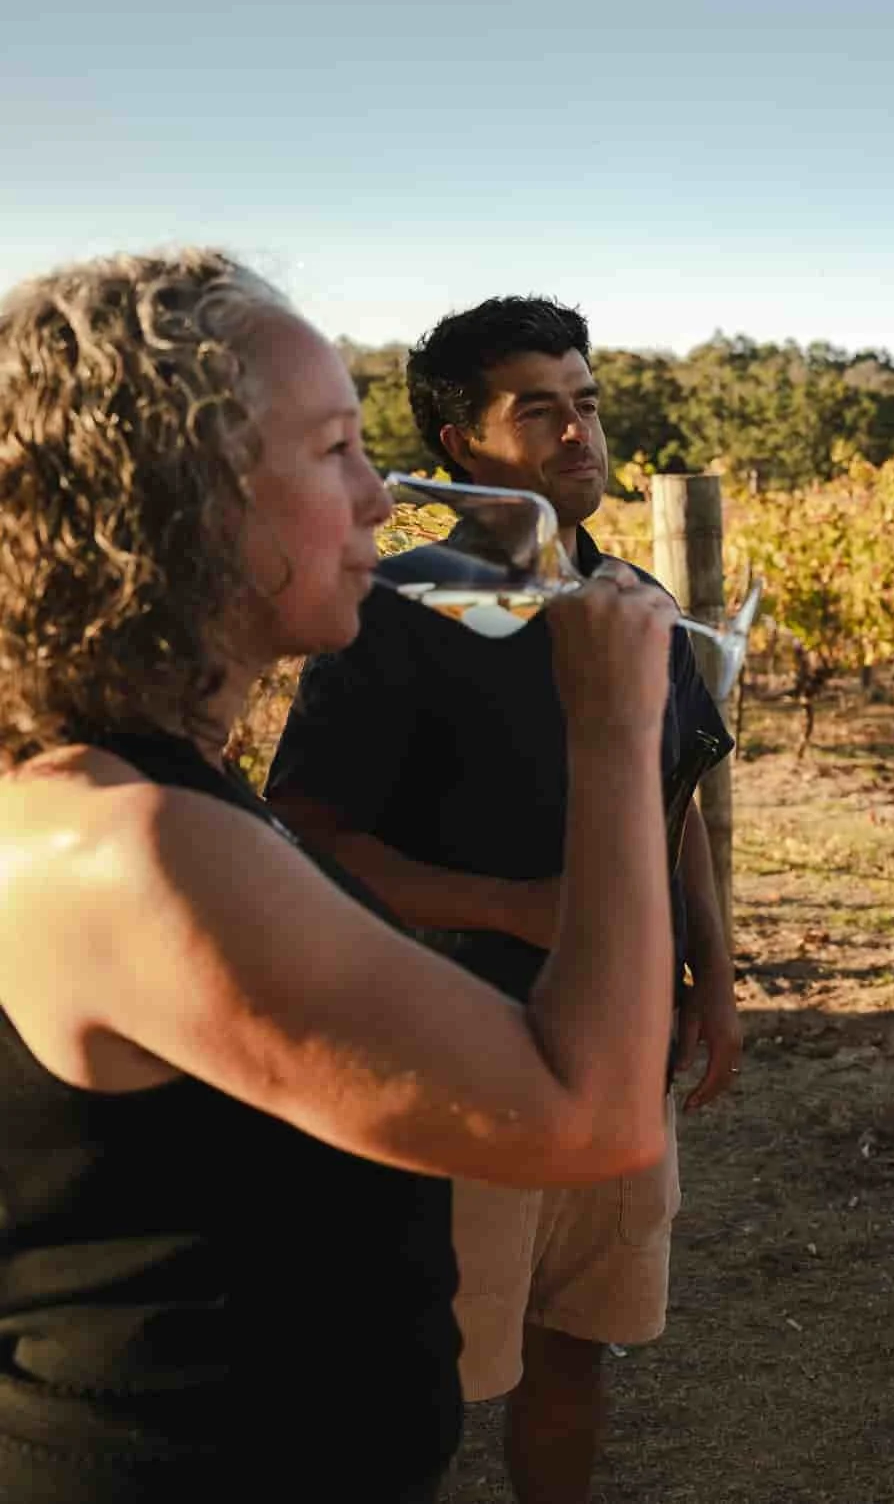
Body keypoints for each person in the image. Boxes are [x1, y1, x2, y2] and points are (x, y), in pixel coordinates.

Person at [0, 251, 680, 1502]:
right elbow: (589, 1116)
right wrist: (612, 727)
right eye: (332, 452)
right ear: (178, 497)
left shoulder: (128, 790)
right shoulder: (132, 842)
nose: (379, 500)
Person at [260, 295, 740, 1504]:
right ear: (462, 441)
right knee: (427, 1375)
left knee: (577, 1343)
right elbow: (306, 834)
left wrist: (715, 977)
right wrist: (518, 906)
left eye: (585, 403)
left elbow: (677, 799)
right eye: (541, 410)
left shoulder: (637, 603)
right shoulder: (401, 607)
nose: (580, 431)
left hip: (621, 1048)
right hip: (459, 1048)